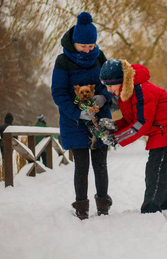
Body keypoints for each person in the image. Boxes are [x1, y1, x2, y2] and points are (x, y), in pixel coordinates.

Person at [99, 58, 167, 214]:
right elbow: (129, 120)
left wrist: (117, 139)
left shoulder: (141, 89)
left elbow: (141, 123)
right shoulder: (126, 94)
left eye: (111, 85)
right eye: (106, 86)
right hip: (158, 130)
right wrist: (114, 127)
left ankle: (150, 209)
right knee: (159, 169)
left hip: (166, 129)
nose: (109, 90)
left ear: (120, 81)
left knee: (155, 170)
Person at [51, 12, 114, 220]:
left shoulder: (99, 56)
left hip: (99, 118)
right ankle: (81, 207)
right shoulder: (63, 61)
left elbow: (109, 82)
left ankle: (103, 206)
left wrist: (103, 99)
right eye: (83, 46)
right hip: (74, 121)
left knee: (100, 163)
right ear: (74, 42)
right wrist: (78, 114)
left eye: (91, 46)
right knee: (81, 165)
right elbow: (58, 93)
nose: (88, 50)